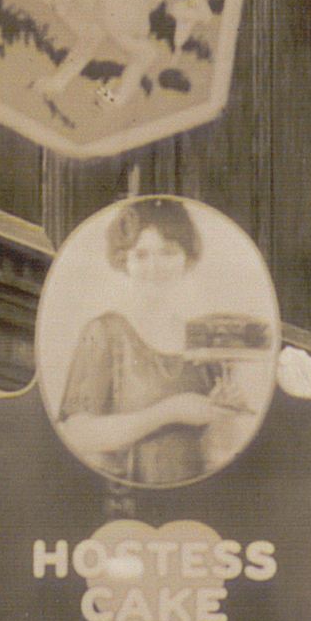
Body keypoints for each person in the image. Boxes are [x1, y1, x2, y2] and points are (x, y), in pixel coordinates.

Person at [51, 198, 263, 490]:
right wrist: (170, 411)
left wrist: (225, 416)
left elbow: (219, 451)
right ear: (124, 260)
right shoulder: (104, 333)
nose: (155, 267)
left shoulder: (201, 340)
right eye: (141, 255)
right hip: (122, 502)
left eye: (168, 252)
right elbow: (77, 434)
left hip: (196, 502)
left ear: (186, 260)